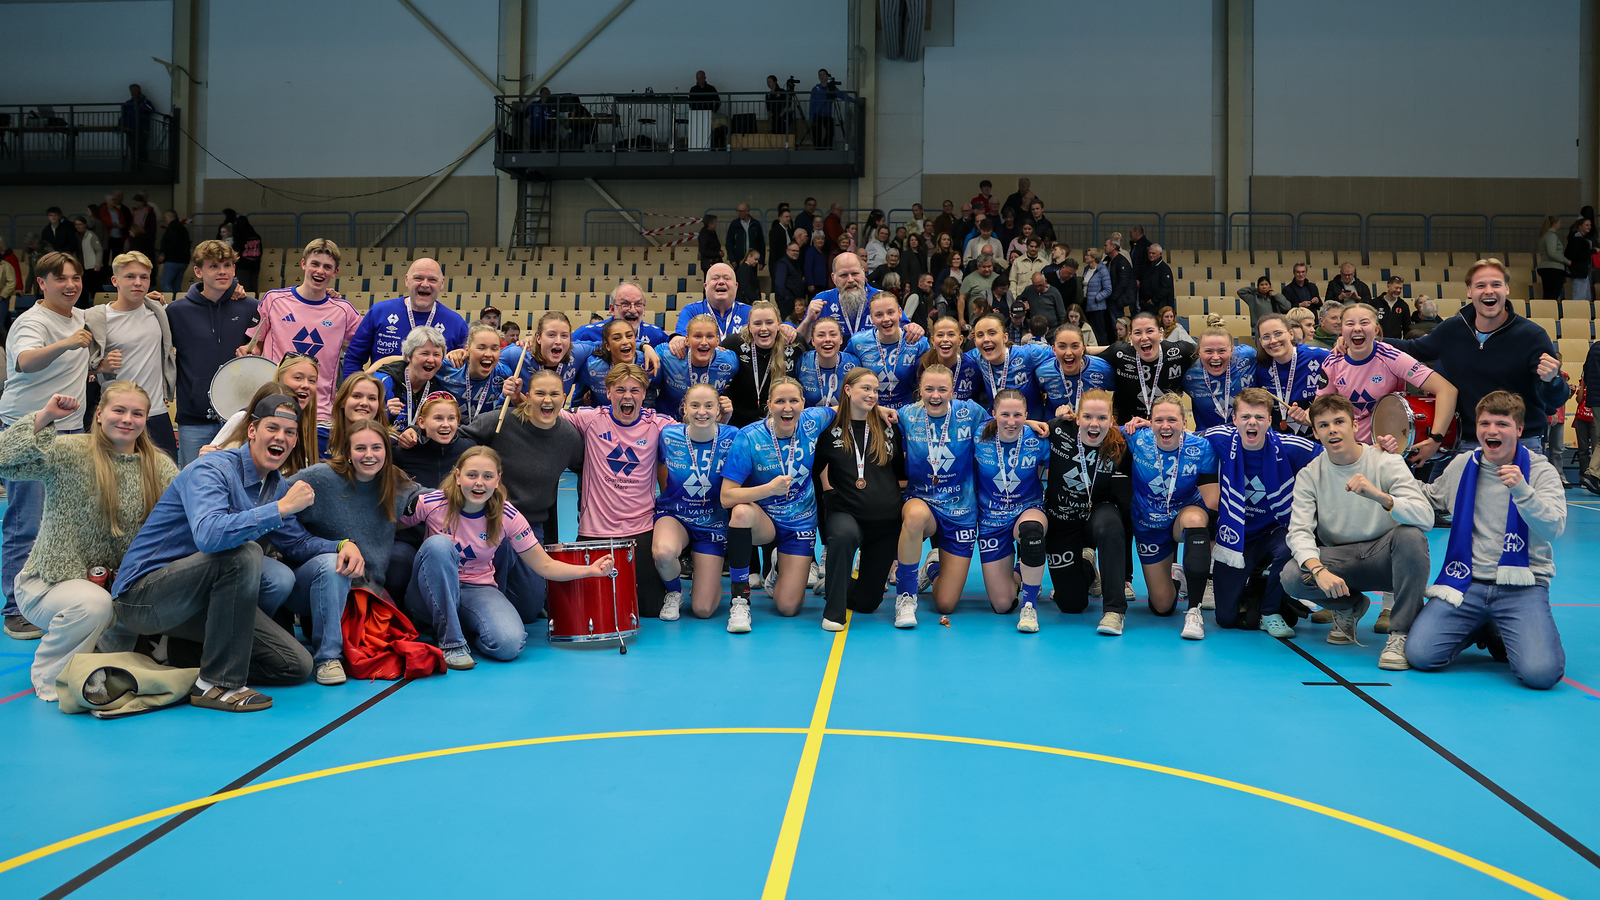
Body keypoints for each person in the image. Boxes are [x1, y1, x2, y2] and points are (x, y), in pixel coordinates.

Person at [106, 394, 341, 711]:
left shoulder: (275, 486)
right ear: (252, 431)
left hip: (198, 604)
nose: (281, 438)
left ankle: (178, 655)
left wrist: (341, 546)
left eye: (289, 432)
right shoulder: (211, 468)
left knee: (295, 664)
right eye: (272, 428)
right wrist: (281, 508)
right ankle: (215, 684)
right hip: (142, 598)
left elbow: (296, 543)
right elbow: (209, 535)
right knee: (244, 554)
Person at [0, 384, 176, 700]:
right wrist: (45, 416)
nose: (127, 419)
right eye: (118, 410)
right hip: (48, 584)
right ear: (98, 414)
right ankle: (51, 677)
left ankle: (98, 660)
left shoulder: (160, 467)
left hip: (118, 589)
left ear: (146, 420)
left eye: (137, 413)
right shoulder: (70, 452)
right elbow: (4, 458)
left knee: (113, 603)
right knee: (94, 604)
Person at [1405, 392, 1566, 687]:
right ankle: (1480, 626)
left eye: (1502, 424)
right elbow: (1430, 496)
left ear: (1519, 430)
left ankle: (1498, 625)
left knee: (1541, 674)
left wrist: (1523, 491)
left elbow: (1553, 528)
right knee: (1420, 655)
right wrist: (1388, 465)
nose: (1492, 431)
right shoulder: (1463, 464)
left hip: (1522, 585)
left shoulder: (1540, 471)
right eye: (1485, 423)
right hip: (1467, 584)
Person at [402, 447, 613, 669]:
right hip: (428, 592)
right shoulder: (432, 502)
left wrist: (589, 569)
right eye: (472, 475)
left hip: (476, 589)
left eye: (487, 476)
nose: (479, 483)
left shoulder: (507, 515)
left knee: (509, 644)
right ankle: (452, 642)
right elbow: (392, 525)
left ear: (497, 480)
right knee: (438, 545)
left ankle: (465, 630)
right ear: (458, 476)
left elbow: (545, 564)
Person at [1281, 395, 1433, 669]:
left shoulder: (1386, 461)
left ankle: (1401, 633)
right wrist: (1318, 570)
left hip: (1386, 559)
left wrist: (1380, 496)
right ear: (1315, 433)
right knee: (1293, 575)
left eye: (1339, 422)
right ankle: (1348, 606)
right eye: (1324, 425)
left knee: (1411, 536)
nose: (1332, 430)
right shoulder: (1310, 474)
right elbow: (1299, 532)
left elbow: (1426, 517)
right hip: (1342, 561)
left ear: (1354, 425)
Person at [0, 252, 100, 641]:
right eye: (61, 279)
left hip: (71, 432)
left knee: (67, 521)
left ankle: (56, 598)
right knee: (26, 522)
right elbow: (25, 362)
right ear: (41, 283)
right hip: (31, 430)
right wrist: (67, 343)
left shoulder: (80, 317)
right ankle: (15, 609)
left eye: (76, 278)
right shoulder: (32, 321)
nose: (71, 285)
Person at [282, 419, 418, 684]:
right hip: (313, 582)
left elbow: (433, 500)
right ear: (347, 452)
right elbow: (275, 498)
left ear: (386, 452)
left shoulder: (395, 482)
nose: (369, 455)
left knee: (394, 646)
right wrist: (315, 544)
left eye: (376, 448)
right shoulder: (321, 477)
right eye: (360, 448)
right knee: (335, 563)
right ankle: (327, 658)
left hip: (364, 590)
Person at [1387, 258, 1567, 454]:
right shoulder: (1452, 329)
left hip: (1519, 444)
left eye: (1496, 284)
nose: (1489, 290)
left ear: (1506, 289)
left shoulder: (1532, 336)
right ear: (1469, 291)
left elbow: (1555, 400)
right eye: (1481, 285)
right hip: (1461, 444)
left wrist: (1553, 381)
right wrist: (1372, 341)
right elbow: (1412, 349)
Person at [1201, 387, 1322, 638]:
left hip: (1275, 529)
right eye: (1245, 416)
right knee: (1225, 618)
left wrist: (1379, 448)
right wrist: (1143, 425)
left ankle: (1270, 611)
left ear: (1269, 421)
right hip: (1237, 533)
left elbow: (1338, 453)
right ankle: (1259, 585)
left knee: (1290, 545)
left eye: (1259, 417)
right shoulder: (1219, 438)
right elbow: (1181, 438)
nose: (1252, 422)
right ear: (1234, 419)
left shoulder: (1291, 446)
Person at [720, 378, 831, 631]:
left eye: (794, 401)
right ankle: (740, 600)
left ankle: (777, 568)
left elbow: (843, 407)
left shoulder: (813, 421)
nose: (787, 407)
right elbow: (726, 497)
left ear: (803, 404)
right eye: (780, 401)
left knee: (788, 607)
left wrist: (880, 409)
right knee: (740, 513)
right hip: (765, 520)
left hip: (800, 523)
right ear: (769, 405)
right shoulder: (749, 437)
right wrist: (769, 489)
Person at [563, 363, 673, 617]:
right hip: (595, 530)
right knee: (582, 609)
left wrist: (722, 417)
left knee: (651, 608)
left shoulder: (657, 424)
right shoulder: (590, 418)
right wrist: (518, 395)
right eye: (620, 390)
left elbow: (696, 434)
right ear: (608, 392)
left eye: (634, 390)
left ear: (644, 394)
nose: (627, 396)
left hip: (640, 528)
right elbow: (546, 412)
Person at [892, 365, 991, 626]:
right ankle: (906, 597)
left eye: (942, 389)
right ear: (919, 390)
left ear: (953, 390)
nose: (935, 395)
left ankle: (933, 567)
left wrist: (1030, 423)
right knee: (914, 517)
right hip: (923, 502)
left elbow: (1004, 424)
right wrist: (878, 409)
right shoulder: (907, 415)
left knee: (945, 604)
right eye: (929, 389)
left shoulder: (970, 412)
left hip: (961, 511)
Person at [812, 368, 903, 630]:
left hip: (885, 523)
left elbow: (899, 473)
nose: (872, 394)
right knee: (844, 535)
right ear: (848, 390)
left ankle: (835, 583)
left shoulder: (888, 427)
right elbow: (814, 473)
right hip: (846, 513)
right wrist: (828, 499)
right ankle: (833, 614)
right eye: (866, 388)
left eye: (875, 390)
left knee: (868, 602)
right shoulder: (828, 429)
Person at [1125, 393, 1220, 639]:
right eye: (1158, 420)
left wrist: (1207, 541)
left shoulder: (1201, 448)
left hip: (1182, 515)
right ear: (1150, 422)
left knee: (1196, 520)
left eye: (1172, 420)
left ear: (1184, 423)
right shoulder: (1137, 437)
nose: (1165, 426)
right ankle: (1177, 578)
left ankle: (1194, 611)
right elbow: (1096, 426)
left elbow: (1211, 497)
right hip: (1148, 524)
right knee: (1162, 607)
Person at [1043, 389, 1135, 633]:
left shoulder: (1121, 443)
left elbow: (1165, 434)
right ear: (1076, 418)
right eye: (1087, 417)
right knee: (1071, 604)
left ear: (1112, 420)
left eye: (1102, 418)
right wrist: (1033, 422)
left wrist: (1145, 423)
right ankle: (1087, 566)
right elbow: (1021, 428)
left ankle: (1114, 610)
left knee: (1111, 525)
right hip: (1062, 520)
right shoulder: (1058, 429)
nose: (1094, 424)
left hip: (1098, 513)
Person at [1319, 303, 1459, 463]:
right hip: (1349, 453)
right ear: (1342, 331)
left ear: (1376, 329)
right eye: (1350, 324)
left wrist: (1435, 439)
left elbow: (1447, 390)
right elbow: (1320, 409)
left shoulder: (1392, 357)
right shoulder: (1332, 361)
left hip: (1389, 454)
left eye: (1364, 322)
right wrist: (1302, 417)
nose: (1357, 328)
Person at [654, 383, 739, 621]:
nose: (702, 412)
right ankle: (674, 593)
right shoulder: (668, 436)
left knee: (703, 610)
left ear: (718, 409)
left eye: (709, 406)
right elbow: (659, 466)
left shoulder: (733, 436)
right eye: (695, 405)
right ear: (685, 408)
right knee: (664, 552)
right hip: (675, 515)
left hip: (712, 523)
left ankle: (705, 578)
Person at [249, 238, 360, 420]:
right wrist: (249, 351)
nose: (320, 271)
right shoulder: (273, 300)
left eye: (327, 267)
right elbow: (256, 344)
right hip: (274, 404)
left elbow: (362, 349)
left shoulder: (344, 311)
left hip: (320, 412)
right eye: (315, 264)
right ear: (303, 264)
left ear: (335, 272)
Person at [86, 251, 178, 461]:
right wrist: (99, 367)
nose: (138, 282)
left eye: (144, 277)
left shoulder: (158, 310)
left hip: (155, 412)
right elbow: (76, 365)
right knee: (112, 478)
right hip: (116, 416)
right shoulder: (96, 319)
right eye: (130, 276)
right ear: (114, 281)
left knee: (166, 477)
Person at [973, 389, 1053, 631]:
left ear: (1026, 415)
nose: (1011, 421)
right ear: (993, 414)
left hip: (1027, 509)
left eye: (1018, 415)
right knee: (1002, 604)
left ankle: (1029, 605)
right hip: (991, 519)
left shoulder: (1037, 439)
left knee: (1032, 531)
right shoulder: (978, 436)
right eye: (1004, 414)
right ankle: (1024, 570)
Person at [342, 259, 468, 377]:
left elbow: (467, 370)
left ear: (442, 284)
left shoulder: (456, 323)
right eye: (418, 278)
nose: (425, 284)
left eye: (432, 280)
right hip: (384, 392)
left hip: (434, 393)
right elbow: (354, 358)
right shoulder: (379, 312)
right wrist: (352, 388)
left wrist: (461, 356)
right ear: (407, 280)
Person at [1099, 310, 1193, 423]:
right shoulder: (1119, 352)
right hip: (1126, 429)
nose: (1144, 337)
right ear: (1130, 336)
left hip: (1165, 428)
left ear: (1161, 333)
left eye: (1150, 331)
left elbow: (1207, 353)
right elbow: (1086, 355)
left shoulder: (1179, 352)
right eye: (1138, 333)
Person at [849, 291, 929, 410]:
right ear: (872, 318)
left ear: (900, 313)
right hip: (871, 411)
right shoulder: (858, 342)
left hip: (908, 411)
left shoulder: (917, 341)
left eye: (890, 312)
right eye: (879, 315)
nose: (886, 319)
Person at [965, 312, 1053, 419]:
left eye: (992, 333)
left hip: (1033, 426)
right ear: (975, 342)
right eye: (980, 335)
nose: (986, 339)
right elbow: (955, 358)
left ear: (1005, 337)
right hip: (999, 425)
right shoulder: (976, 357)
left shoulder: (1027, 354)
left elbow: (1059, 353)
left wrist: (1045, 384)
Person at [1254, 312, 1330, 437]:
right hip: (1279, 441)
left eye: (1278, 333)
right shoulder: (1260, 366)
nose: (1273, 341)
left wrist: (1343, 343)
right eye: (1266, 337)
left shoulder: (1320, 356)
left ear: (1290, 334)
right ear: (1261, 341)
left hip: (1318, 438)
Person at [376, 326, 459, 433]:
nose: (431, 360)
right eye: (425, 353)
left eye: (436, 354)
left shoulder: (438, 389)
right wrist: (385, 414)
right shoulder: (382, 382)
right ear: (409, 356)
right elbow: (363, 423)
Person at [657, 312, 740, 413]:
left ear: (717, 341)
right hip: (668, 420)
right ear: (687, 340)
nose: (704, 342)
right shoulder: (666, 355)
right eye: (697, 336)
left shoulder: (730, 362)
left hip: (706, 420)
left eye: (710, 336)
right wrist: (644, 346)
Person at [1183, 326, 1257, 431]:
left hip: (1249, 433)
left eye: (1222, 351)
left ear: (1232, 350)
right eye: (1208, 351)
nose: (1216, 357)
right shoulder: (1189, 374)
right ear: (1199, 352)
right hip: (1209, 438)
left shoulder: (1248, 356)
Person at [394, 395, 475, 489]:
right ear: (422, 422)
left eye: (451, 418)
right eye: (438, 418)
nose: (446, 424)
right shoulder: (402, 453)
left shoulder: (469, 450)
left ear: (457, 421)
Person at [320, 371, 388, 459]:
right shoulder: (319, 435)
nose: (364, 403)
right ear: (342, 401)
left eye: (372, 398)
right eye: (356, 396)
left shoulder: (390, 441)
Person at [795, 316, 860, 408]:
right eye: (821, 335)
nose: (827, 339)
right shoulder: (803, 361)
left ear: (841, 339)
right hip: (810, 417)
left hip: (844, 417)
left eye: (833, 335)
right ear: (812, 341)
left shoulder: (854, 363)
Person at [1081, 249, 1114, 345]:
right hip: (1085, 303)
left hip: (1097, 306)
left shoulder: (1102, 270)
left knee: (1099, 331)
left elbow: (1108, 289)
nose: (1085, 257)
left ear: (1093, 258)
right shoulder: (1087, 269)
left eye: (1087, 255)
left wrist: (1097, 298)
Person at [157, 209, 191, 294]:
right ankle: (178, 301)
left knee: (165, 283)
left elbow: (171, 243)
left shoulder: (171, 228)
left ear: (170, 217)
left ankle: (169, 301)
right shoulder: (183, 228)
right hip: (184, 260)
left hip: (172, 260)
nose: (165, 220)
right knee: (176, 286)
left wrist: (163, 254)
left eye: (165, 218)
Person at [1536, 215, 1567, 300]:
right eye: (1559, 223)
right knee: (1553, 294)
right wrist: (1566, 261)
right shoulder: (1551, 236)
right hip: (1554, 268)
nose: (1560, 225)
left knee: (1548, 294)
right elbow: (1552, 253)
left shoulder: (1545, 235)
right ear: (1554, 224)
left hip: (1546, 267)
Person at [1138, 243, 1176, 312]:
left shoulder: (1164, 269)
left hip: (1159, 305)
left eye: (1153, 253)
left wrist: (1154, 300)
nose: (1151, 255)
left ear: (1160, 254)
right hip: (1146, 304)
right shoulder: (1146, 266)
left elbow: (1166, 287)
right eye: (1149, 253)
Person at [1105, 236, 1136, 318]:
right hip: (1113, 297)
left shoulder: (1122, 262)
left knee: (1116, 321)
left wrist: (1113, 297)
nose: (1104, 248)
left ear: (1113, 247)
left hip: (1118, 298)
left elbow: (1123, 282)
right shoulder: (1109, 260)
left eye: (1106, 245)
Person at [73, 216, 104, 297]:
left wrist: (98, 263)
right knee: (82, 289)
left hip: (91, 266)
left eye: (80, 224)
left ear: (85, 225)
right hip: (80, 265)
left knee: (95, 288)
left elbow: (99, 250)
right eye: (76, 224)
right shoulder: (74, 236)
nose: (78, 226)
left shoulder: (90, 235)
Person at [726, 204, 765, 268]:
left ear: (747, 211)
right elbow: (729, 243)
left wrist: (761, 261)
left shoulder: (755, 224)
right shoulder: (734, 224)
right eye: (738, 211)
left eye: (741, 211)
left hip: (753, 260)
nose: (739, 213)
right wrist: (732, 259)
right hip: (738, 260)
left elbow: (761, 243)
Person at [232, 216, 264, 293]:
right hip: (255, 264)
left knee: (245, 286)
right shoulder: (256, 236)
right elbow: (261, 251)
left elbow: (236, 249)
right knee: (254, 285)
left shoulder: (241, 236)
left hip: (243, 265)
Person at [1567, 218, 1595, 304]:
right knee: (1579, 297)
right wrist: (1593, 251)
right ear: (1580, 226)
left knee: (1586, 297)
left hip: (1584, 272)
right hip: (1579, 271)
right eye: (1587, 225)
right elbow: (1578, 255)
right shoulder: (1576, 239)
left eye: (1590, 225)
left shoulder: (1584, 239)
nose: (1589, 227)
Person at [810, 70, 838, 148]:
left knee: (830, 132)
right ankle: (818, 149)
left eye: (823, 75)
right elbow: (812, 104)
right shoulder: (815, 89)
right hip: (817, 115)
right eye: (820, 75)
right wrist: (811, 117)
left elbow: (841, 95)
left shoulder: (832, 88)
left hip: (827, 115)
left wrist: (853, 100)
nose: (822, 77)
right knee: (816, 133)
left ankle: (826, 147)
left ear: (827, 76)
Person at [773, 242, 806, 307]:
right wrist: (787, 298)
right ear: (787, 251)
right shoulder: (782, 264)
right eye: (793, 250)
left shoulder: (795, 263)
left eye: (797, 251)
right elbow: (779, 284)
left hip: (796, 300)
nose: (796, 253)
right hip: (787, 301)